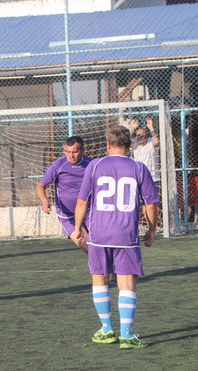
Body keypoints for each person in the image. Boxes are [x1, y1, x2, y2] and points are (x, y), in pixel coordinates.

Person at [70, 125, 159, 349]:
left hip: (99, 234)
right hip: (126, 235)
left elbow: (82, 201)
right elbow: (151, 204)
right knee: (126, 282)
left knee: (99, 279)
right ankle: (126, 335)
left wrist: (77, 228)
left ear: (108, 144)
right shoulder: (139, 168)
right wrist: (151, 229)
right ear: (129, 145)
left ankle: (107, 330)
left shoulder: (94, 165)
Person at [36, 136, 91, 253]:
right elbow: (41, 185)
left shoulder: (90, 164)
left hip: (88, 211)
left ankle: (111, 264)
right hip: (68, 215)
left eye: (74, 152)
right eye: (67, 152)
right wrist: (45, 202)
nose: (71, 155)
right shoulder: (59, 164)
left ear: (82, 150)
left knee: (99, 243)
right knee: (87, 246)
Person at [130, 117, 161, 186]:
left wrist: (151, 128)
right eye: (138, 135)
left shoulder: (151, 142)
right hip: (139, 177)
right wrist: (132, 129)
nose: (140, 137)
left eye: (142, 135)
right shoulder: (135, 143)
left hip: (152, 177)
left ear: (147, 136)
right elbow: (126, 142)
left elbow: (156, 141)